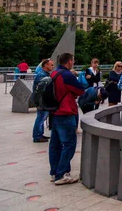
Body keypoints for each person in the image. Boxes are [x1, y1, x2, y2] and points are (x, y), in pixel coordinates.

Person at [49, 52, 84, 185]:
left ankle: (54, 172)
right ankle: (61, 174)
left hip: (55, 112)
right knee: (69, 144)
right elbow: (80, 90)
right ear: (69, 62)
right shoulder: (67, 75)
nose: (73, 63)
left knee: (55, 144)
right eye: (73, 61)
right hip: (66, 111)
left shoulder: (54, 73)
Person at [32, 58, 54, 143]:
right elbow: (41, 91)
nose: (52, 67)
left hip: (41, 101)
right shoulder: (42, 75)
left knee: (41, 117)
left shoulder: (44, 74)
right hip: (42, 101)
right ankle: (37, 136)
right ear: (45, 65)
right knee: (41, 118)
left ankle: (40, 134)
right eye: (51, 65)